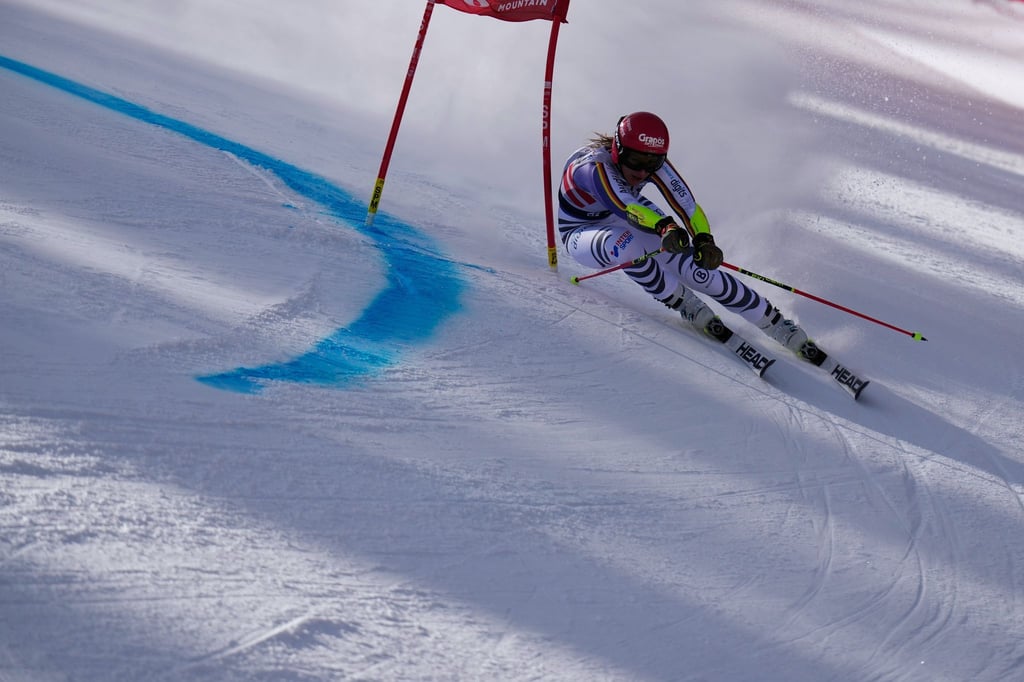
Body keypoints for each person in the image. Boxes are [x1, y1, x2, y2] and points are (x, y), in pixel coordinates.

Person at [558, 111, 809, 353]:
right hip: (583, 229)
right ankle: (686, 303)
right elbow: (624, 204)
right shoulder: (592, 167)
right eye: (635, 161)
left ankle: (772, 321)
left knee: (694, 266)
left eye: (652, 163)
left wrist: (704, 240)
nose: (643, 172)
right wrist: (664, 226)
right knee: (627, 244)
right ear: (617, 149)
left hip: (628, 216)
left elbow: (688, 206)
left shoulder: (649, 162)